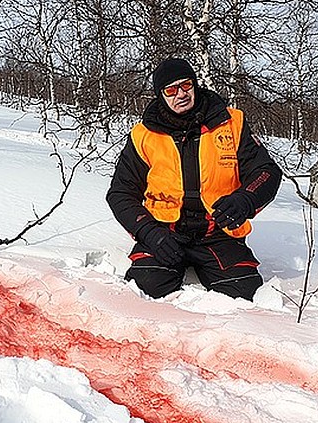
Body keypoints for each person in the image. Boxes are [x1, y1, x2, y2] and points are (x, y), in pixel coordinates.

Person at [106, 57, 282, 301]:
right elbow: (120, 193)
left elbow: (266, 172)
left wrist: (244, 200)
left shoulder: (231, 123)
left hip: (219, 232)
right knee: (142, 292)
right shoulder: (143, 135)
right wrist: (149, 233)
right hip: (164, 233)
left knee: (244, 296)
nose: (181, 94)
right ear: (160, 95)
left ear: (195, 84)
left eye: (186, 85)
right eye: (171, 89)